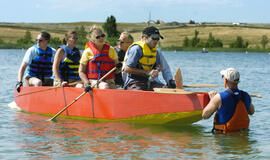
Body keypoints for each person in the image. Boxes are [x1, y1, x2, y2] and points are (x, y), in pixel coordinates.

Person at [202, 68, 255, 133]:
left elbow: (205, 115)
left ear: (225, 81)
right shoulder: (246, 95)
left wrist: (212, 100)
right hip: (242, 135)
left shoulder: (219, 97)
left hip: (224, 136)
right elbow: (252, 112)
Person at [123, 26, 175, 90]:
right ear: (144, 38)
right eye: (154, 37)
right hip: (135, 82)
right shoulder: (136, 49)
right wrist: (147, 72)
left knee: (166, 89)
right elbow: (127, 69)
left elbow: (162, 67)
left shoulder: (156, 52)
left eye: (158, 38)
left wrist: (158, 70)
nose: (156, 40)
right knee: (140, 92)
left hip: (151, 82)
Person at [79, 26, 118, 90]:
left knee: (115, 89)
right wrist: (86, 82)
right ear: (92, 39)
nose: (101, 38)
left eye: (102, 35)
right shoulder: (87, 52)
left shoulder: (111, 50)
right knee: (104, 86)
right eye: (98, 37)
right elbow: (81, 71)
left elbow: (117, 68)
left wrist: (119, 68)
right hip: (93, 81)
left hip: (109, 80)